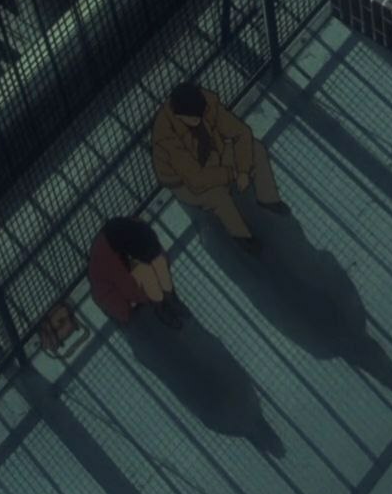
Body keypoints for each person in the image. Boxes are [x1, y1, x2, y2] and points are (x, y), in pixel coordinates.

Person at [151, 82, 290, 255]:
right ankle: (242, 236)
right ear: (179, 116)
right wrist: (232, 174)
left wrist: (244, 170)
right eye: (194, 119)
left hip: (213, 154)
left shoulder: (205, 103)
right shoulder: (166, 138)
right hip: (183, 182)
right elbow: (196, 179)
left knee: (256, 149)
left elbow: (241, 133)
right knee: (218, 196)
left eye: (201, 115)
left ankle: (268, 198)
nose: (199, 120)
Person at [88, 216, 189, 328]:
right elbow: (130, 289)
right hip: (118, 302)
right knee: (136, 314)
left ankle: (168, 300)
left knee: (156, 266)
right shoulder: (108, 261)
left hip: (125, 260)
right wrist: (155, 298)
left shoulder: (139, 229)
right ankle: (161, 307)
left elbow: (158, 254)